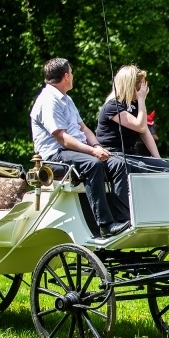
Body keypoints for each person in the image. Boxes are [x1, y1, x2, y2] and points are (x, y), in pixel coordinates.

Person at [30, 58, 130, 238]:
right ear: (66, 76)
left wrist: (98, 145)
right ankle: (105, 224)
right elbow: (62, 139)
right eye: (72, 73)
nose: (73, 76)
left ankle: (124, 219)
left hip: (76, 152)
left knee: (118, 164)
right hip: (54, 156)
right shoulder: (48, 101)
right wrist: (92, 151)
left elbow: (83, 128)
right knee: (93, 164)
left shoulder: (66, 99)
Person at [96, 65, 169, 172]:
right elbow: (140, 126)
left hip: (131, 153)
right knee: (143, 169)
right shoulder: (113, 106)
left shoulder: (135, 104)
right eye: (141, 84)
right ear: (130, 85)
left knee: (167, 168)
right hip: (113, 153)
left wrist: (159, 159)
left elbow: (145, 131)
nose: (143, 87)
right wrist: (142, 99)